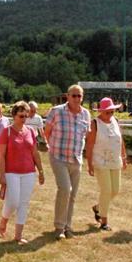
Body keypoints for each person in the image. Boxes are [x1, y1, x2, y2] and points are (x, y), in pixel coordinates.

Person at [44, 84, 91, 239]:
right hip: (58, 156)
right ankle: (59, 227)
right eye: (74, 95)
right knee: (65, 189)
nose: (77, 99)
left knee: (73, 194)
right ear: (67, 96)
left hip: (76, 158)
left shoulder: (86, 114)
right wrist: (50, 147)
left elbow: (86, 136)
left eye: (79, 96)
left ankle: (67, 226)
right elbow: (47, 132)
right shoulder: (56, 111)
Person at [0, 101, 45, 244]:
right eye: (21, 116)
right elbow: (1, 155)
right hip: (11, 172)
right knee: (13, 201)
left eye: (26, 116)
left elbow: (35, 153)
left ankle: (18, 235)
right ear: (14, 115)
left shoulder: (30, 131)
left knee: (24, 203)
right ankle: (4, 220)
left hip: (29, 172)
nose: (24, 119)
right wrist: (2, 175)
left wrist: (41, 171)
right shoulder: (7, 132)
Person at [86, 97, 128, 231]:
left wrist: (124, 156)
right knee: (106, 190)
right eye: (107, 112)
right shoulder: (95, 123)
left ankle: (98, 208)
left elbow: (120, 140)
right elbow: (90, 144)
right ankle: (104, 221)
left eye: (111, 111)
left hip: (115, 160)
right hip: (100, 161)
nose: (109, 114)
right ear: (101, 111)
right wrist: (90, 163)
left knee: (115, 190)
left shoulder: (116, 121)